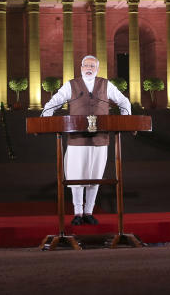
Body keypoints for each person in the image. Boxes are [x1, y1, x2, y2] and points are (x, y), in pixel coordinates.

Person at [41, 55, 131, 226]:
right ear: (80, 67)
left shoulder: (105, 84)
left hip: (100, 139)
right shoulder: (72, 85)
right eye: (86, 65)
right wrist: (46, 115)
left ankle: (89, 211)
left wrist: (126, 118)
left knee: (95, 176)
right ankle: (78, 212)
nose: (89, 68)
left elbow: (123, 101)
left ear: (97, 69)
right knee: (77, 175)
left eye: (92, 65)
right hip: (77, 139)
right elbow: (56, 101)